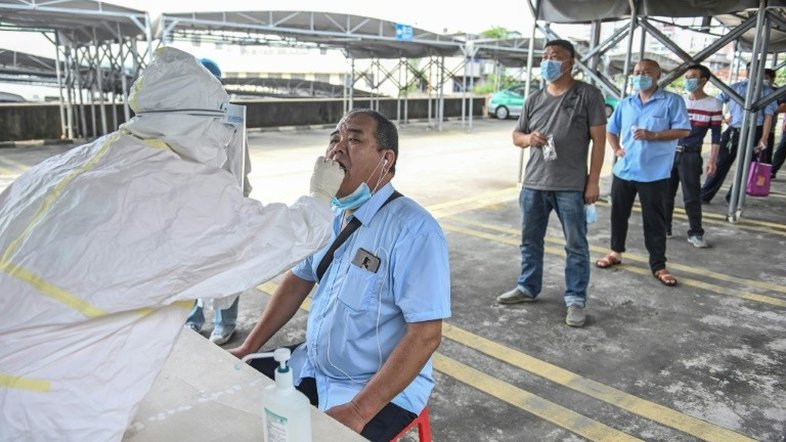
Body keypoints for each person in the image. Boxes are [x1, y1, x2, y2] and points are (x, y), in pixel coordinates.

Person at [0, 47, 345, 440]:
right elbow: (273, 240)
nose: (227, 135)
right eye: (221, 123)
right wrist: (320, 198)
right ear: (199, 123)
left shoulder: (81, 160)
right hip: (49, 401)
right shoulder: (179, 188)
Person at [229, 109, 451, 441]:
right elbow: (298, 279)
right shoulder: (331, 214)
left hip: (372, 391)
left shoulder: (415, 231)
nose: (337, 148)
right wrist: (249, 346)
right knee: (238, 393)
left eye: (354, 139)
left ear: (385, 160)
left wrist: (360, 410)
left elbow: (426, 334)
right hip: (314, 366)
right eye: (334, 138)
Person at [494, 39, 606, 328]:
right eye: (545, 56)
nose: (548, 61)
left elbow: (600, 141)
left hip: (571, 185)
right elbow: (517, 135)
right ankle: (527, 287)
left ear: (571, 62)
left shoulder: (587, 95)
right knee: (530, 241)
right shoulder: (533, 99)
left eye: (555, 56)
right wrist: (529, 139)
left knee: (576, 245)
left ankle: (575, 299)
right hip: (534, 183)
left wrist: (593, 182)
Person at [596, 59, 691, 287]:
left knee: (654, 221)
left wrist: (654, 135)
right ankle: (615, 252)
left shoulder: (671, 101)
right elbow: (611, 130)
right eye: (637, 72)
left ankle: (658, 265)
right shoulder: (626, 103)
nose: (640, 76)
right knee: (618, 215)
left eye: (646, 72)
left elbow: (684, 130)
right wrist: (616, 149)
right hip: (624, 170)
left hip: (654, 173)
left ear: (658, 75)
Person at [184, 57, 250, 345]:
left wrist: (239, 201)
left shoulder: (232, 119)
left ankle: (226, 322)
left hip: (225, 204)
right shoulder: (181, 119)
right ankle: (192, 317)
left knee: (226, 266)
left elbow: (240, 163)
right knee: (190, 267)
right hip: (192, 208)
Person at [700, 62, 776, 204]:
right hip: (733, 131)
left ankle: (734, 197)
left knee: (747, 166)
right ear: (747, 72)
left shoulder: (767, 92)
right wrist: (723, 118)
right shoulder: (735, 88)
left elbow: (768, 116)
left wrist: (764, 137)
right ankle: (705, 194)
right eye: (751, 70)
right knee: (721, 163)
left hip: (755, 131)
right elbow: (717, 102)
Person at [666, 64, 722, 248]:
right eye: (687, 77)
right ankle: (665, 228)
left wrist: (712, 159)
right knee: (666, 193)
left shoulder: (713, 104)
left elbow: (715, 136)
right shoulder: (678, 100)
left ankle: (696, 233)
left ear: (703, 80)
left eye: (692, 77)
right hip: (670, 152)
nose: (688, 80)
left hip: (691, 156)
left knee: (692, 197)